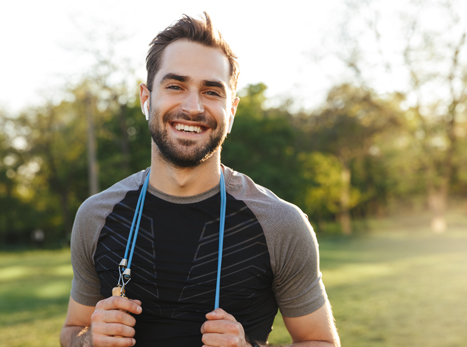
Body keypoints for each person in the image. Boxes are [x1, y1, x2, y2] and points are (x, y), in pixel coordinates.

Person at [60, 12, 340, 347]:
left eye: (211, 91)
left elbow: (320, 341)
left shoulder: (281, 224)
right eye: (175, 86)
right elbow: (72, 330)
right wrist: (90, 338)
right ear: (146, 99)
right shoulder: (96, 215)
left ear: (231, 111)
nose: (193, 107)